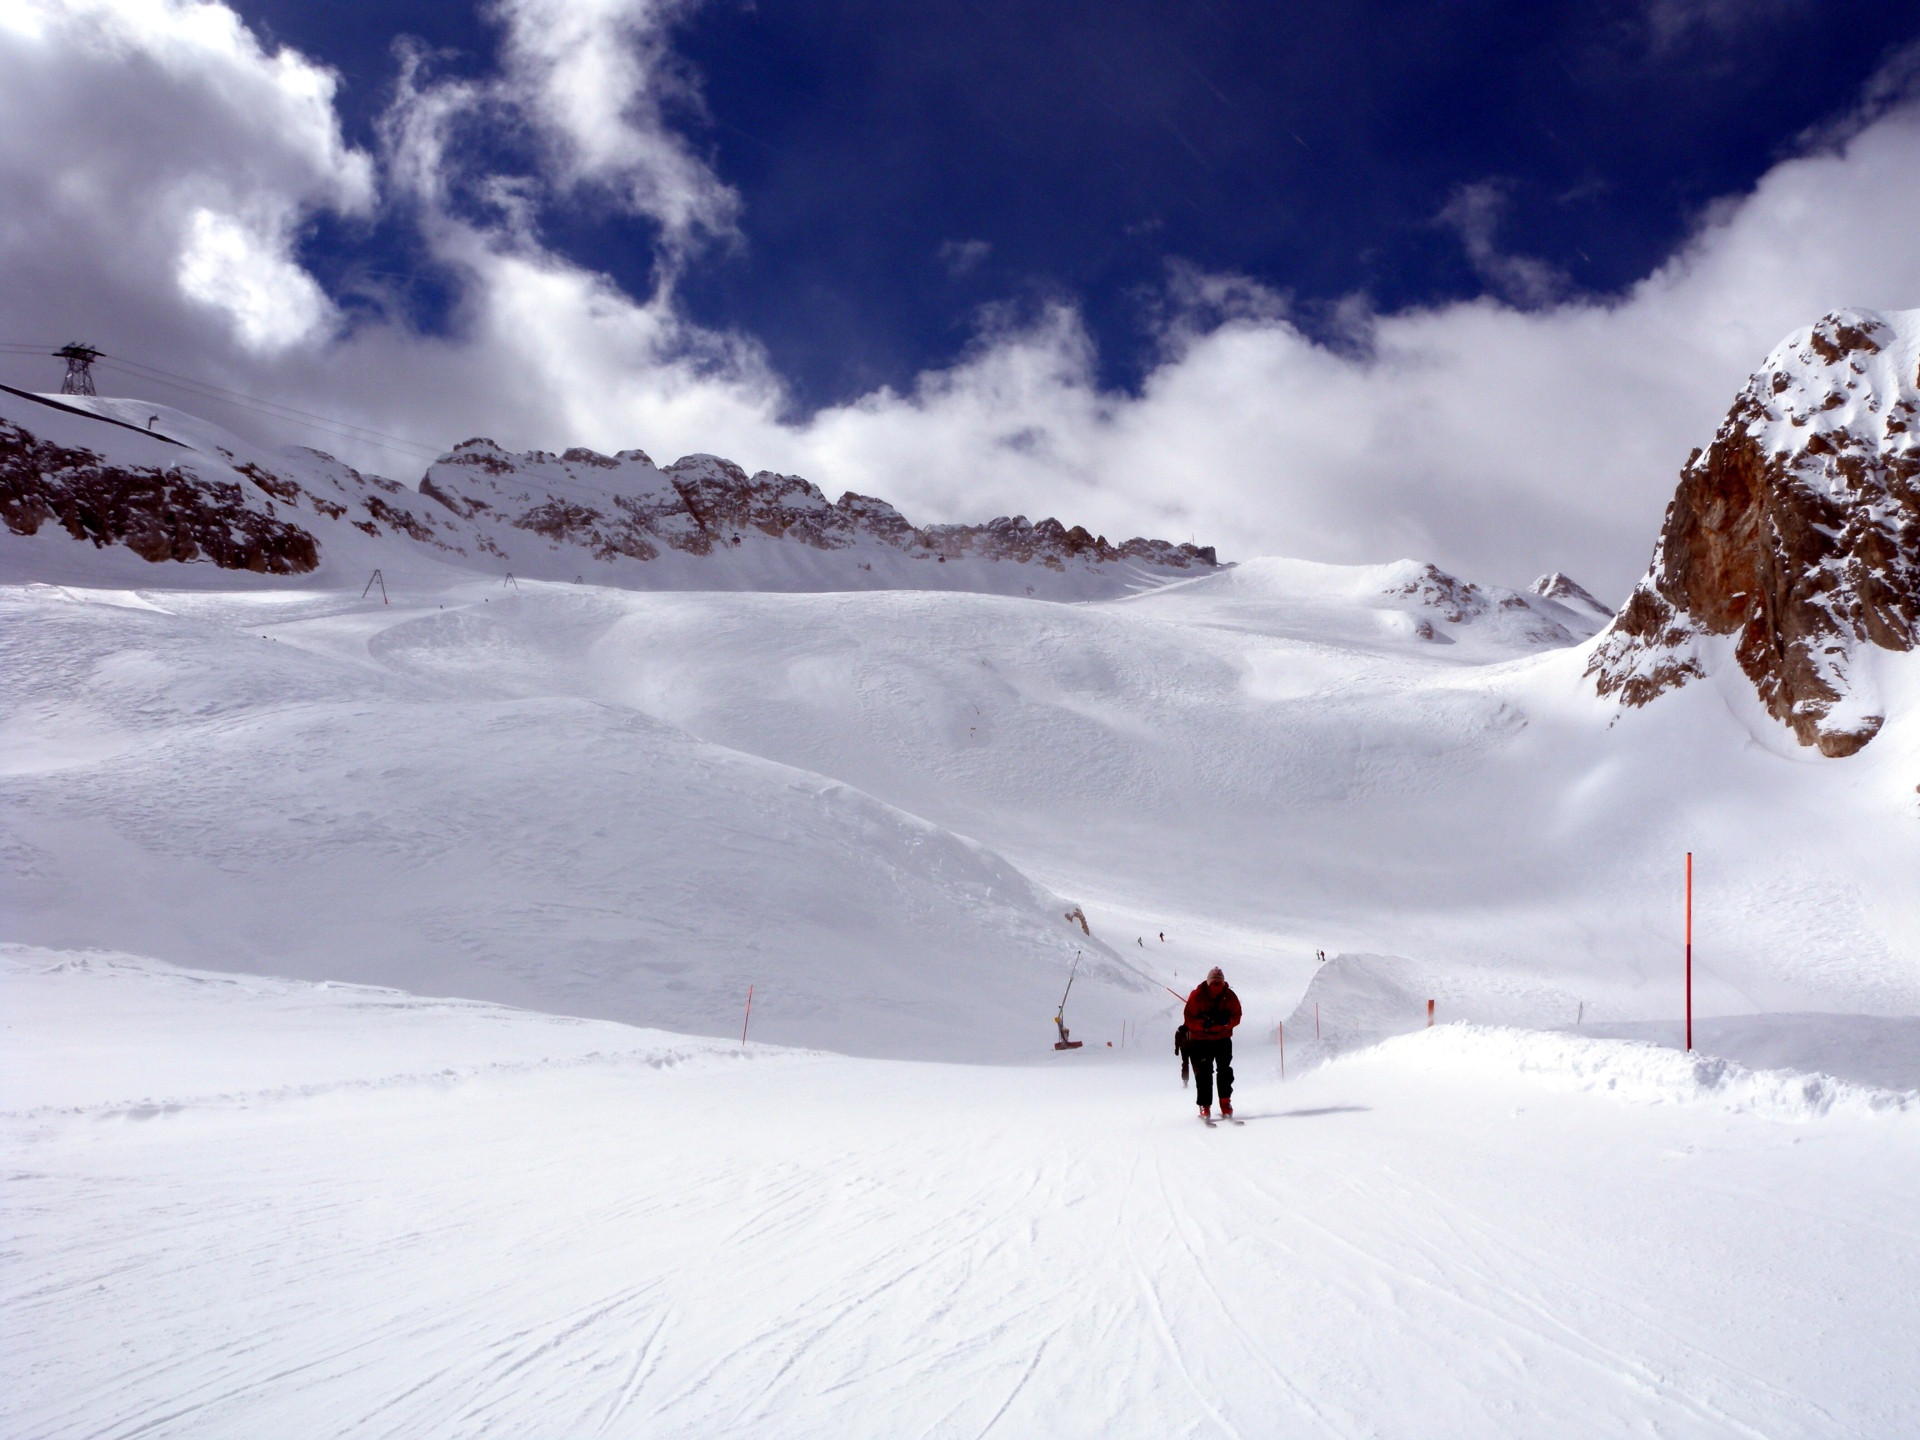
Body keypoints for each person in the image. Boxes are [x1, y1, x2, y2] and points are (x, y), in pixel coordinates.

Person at [1183, 966, 1241, 1118]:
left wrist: (1227, 1021)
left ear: (1223, 983)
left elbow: (1237, 1016)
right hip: (1201, 1040)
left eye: (1219, 983)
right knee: (1204, 1073)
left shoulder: (1230, 997)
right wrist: (1203, 1024)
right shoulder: (1197, 996)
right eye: (1213, 983)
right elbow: (1189, 1019)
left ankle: (1225, 1102)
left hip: (1223, 1039)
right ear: (1208, 983)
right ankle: (1205, 1105)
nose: (1216, 986)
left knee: (1225, 1071)